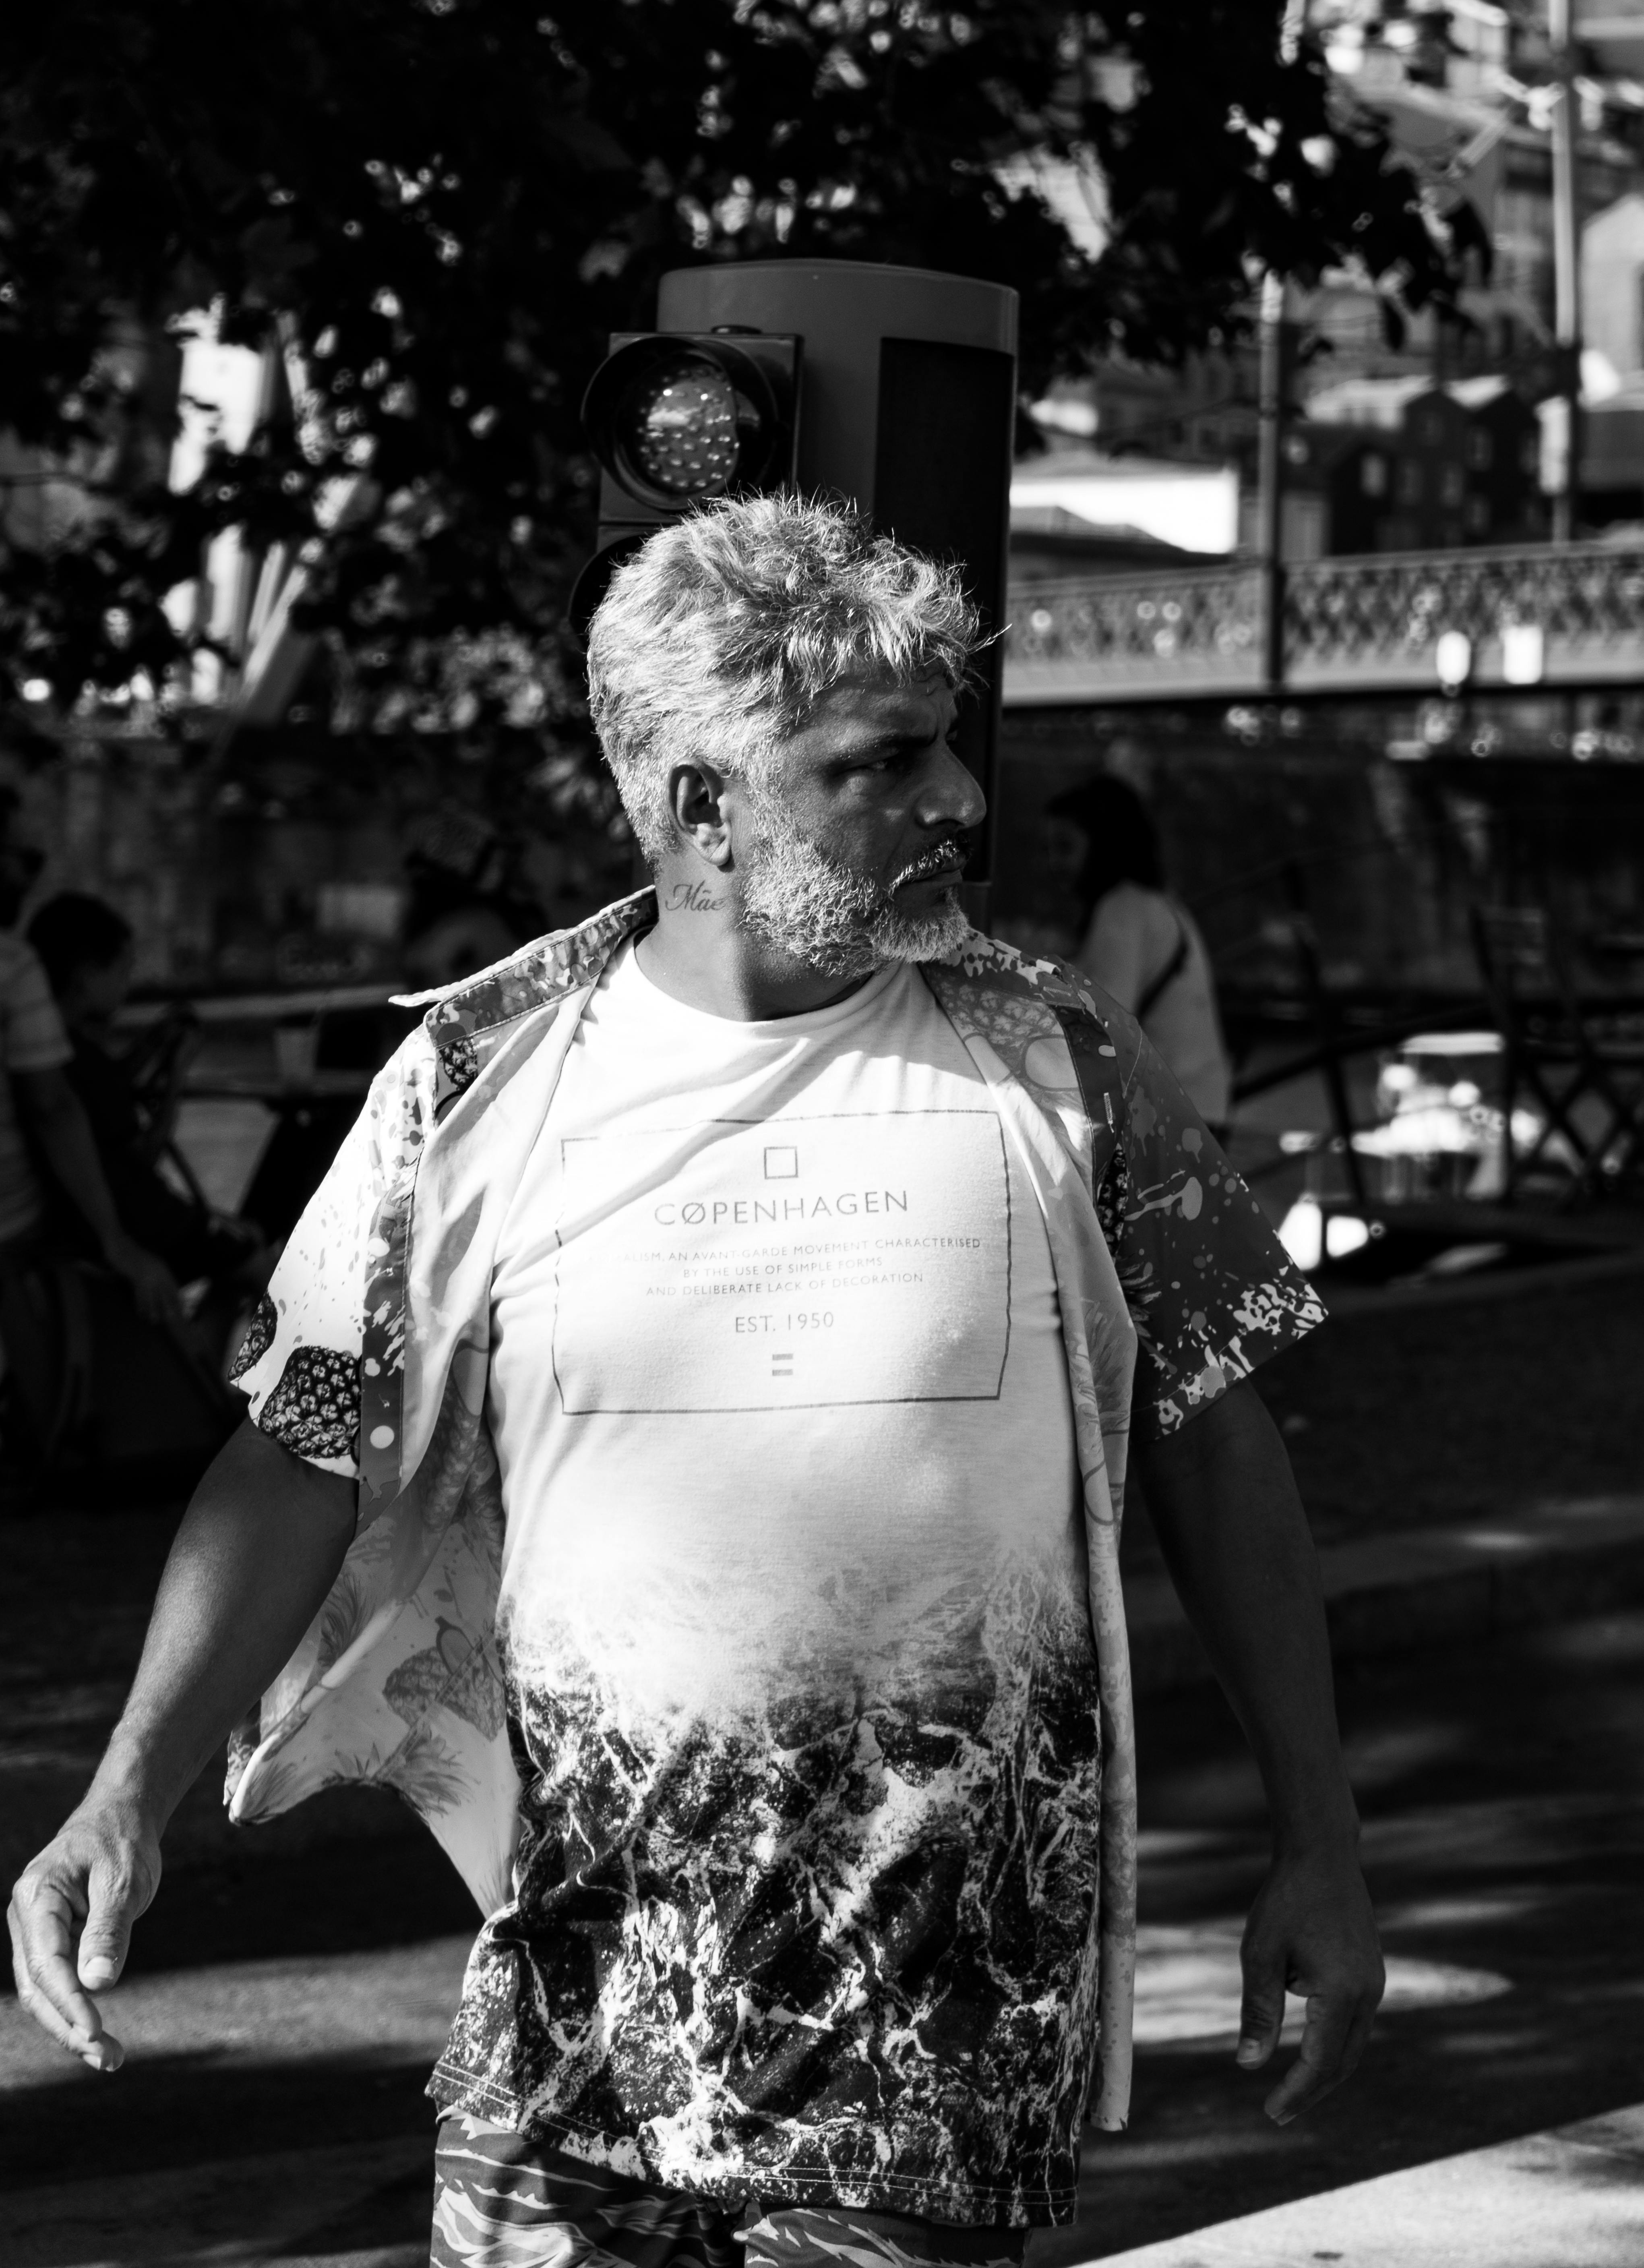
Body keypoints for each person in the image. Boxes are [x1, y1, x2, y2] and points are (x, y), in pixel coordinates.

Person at [9, 498, 1382, 2267]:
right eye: (888, 759)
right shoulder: (474, 1083)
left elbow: (1213, 1437)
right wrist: (122, 1789)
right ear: (699, 806)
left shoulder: (1056, 1061)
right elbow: (302, 1452)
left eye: (948, 740)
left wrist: (1320, 1843)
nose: (962, 795)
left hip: (925, 2063)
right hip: (565, 2030)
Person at [0, 824, 178, 1417]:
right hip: (32, 1222)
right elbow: (57, 1110)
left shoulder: (85, 1059)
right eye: (22, 856)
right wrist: (116, 1242)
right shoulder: (12, 964)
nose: (29, 872)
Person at [25, 893, 265, 1306]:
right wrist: (175, 1074)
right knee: (264, 1264)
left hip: (110, 1222)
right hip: (144, 1226)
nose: (128, 980)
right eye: (121, 969)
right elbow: (146, 1152)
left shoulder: (51, 1057)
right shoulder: (83, 1067)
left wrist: (149, 1048)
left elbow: (109, 1098)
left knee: (237, 1242)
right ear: (84, 978)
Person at [1046, 774, 1232, 1129]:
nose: (1054, 864)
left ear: (1102, 845)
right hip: (1202, 1109)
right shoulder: (1163, 906)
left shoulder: (1121, 910)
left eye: (1065, 846)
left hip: (1166, 1117)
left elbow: (1103, 1025)